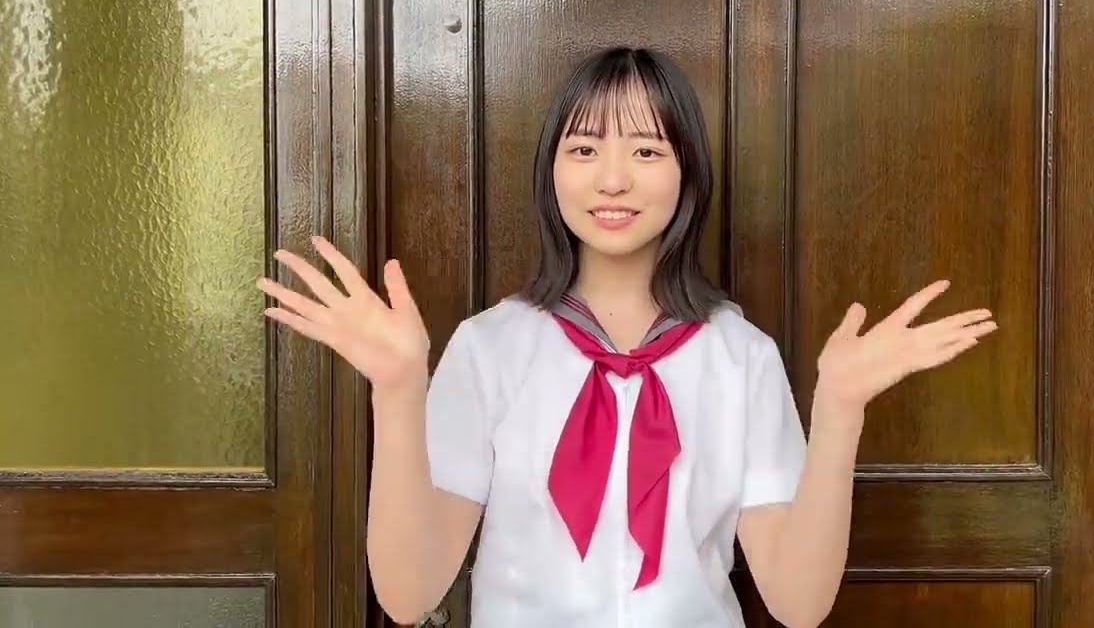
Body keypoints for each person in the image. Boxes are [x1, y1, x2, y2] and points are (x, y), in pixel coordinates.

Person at [255, 46, 997, 627]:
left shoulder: (741, 358)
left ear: (686, 174)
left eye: (646, 151)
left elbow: (799, 605)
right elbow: (409, 593)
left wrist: (839, 409)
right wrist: (396, 391)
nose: (612, 180)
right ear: (551, 171)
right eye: (584, 150)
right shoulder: (489, 349)